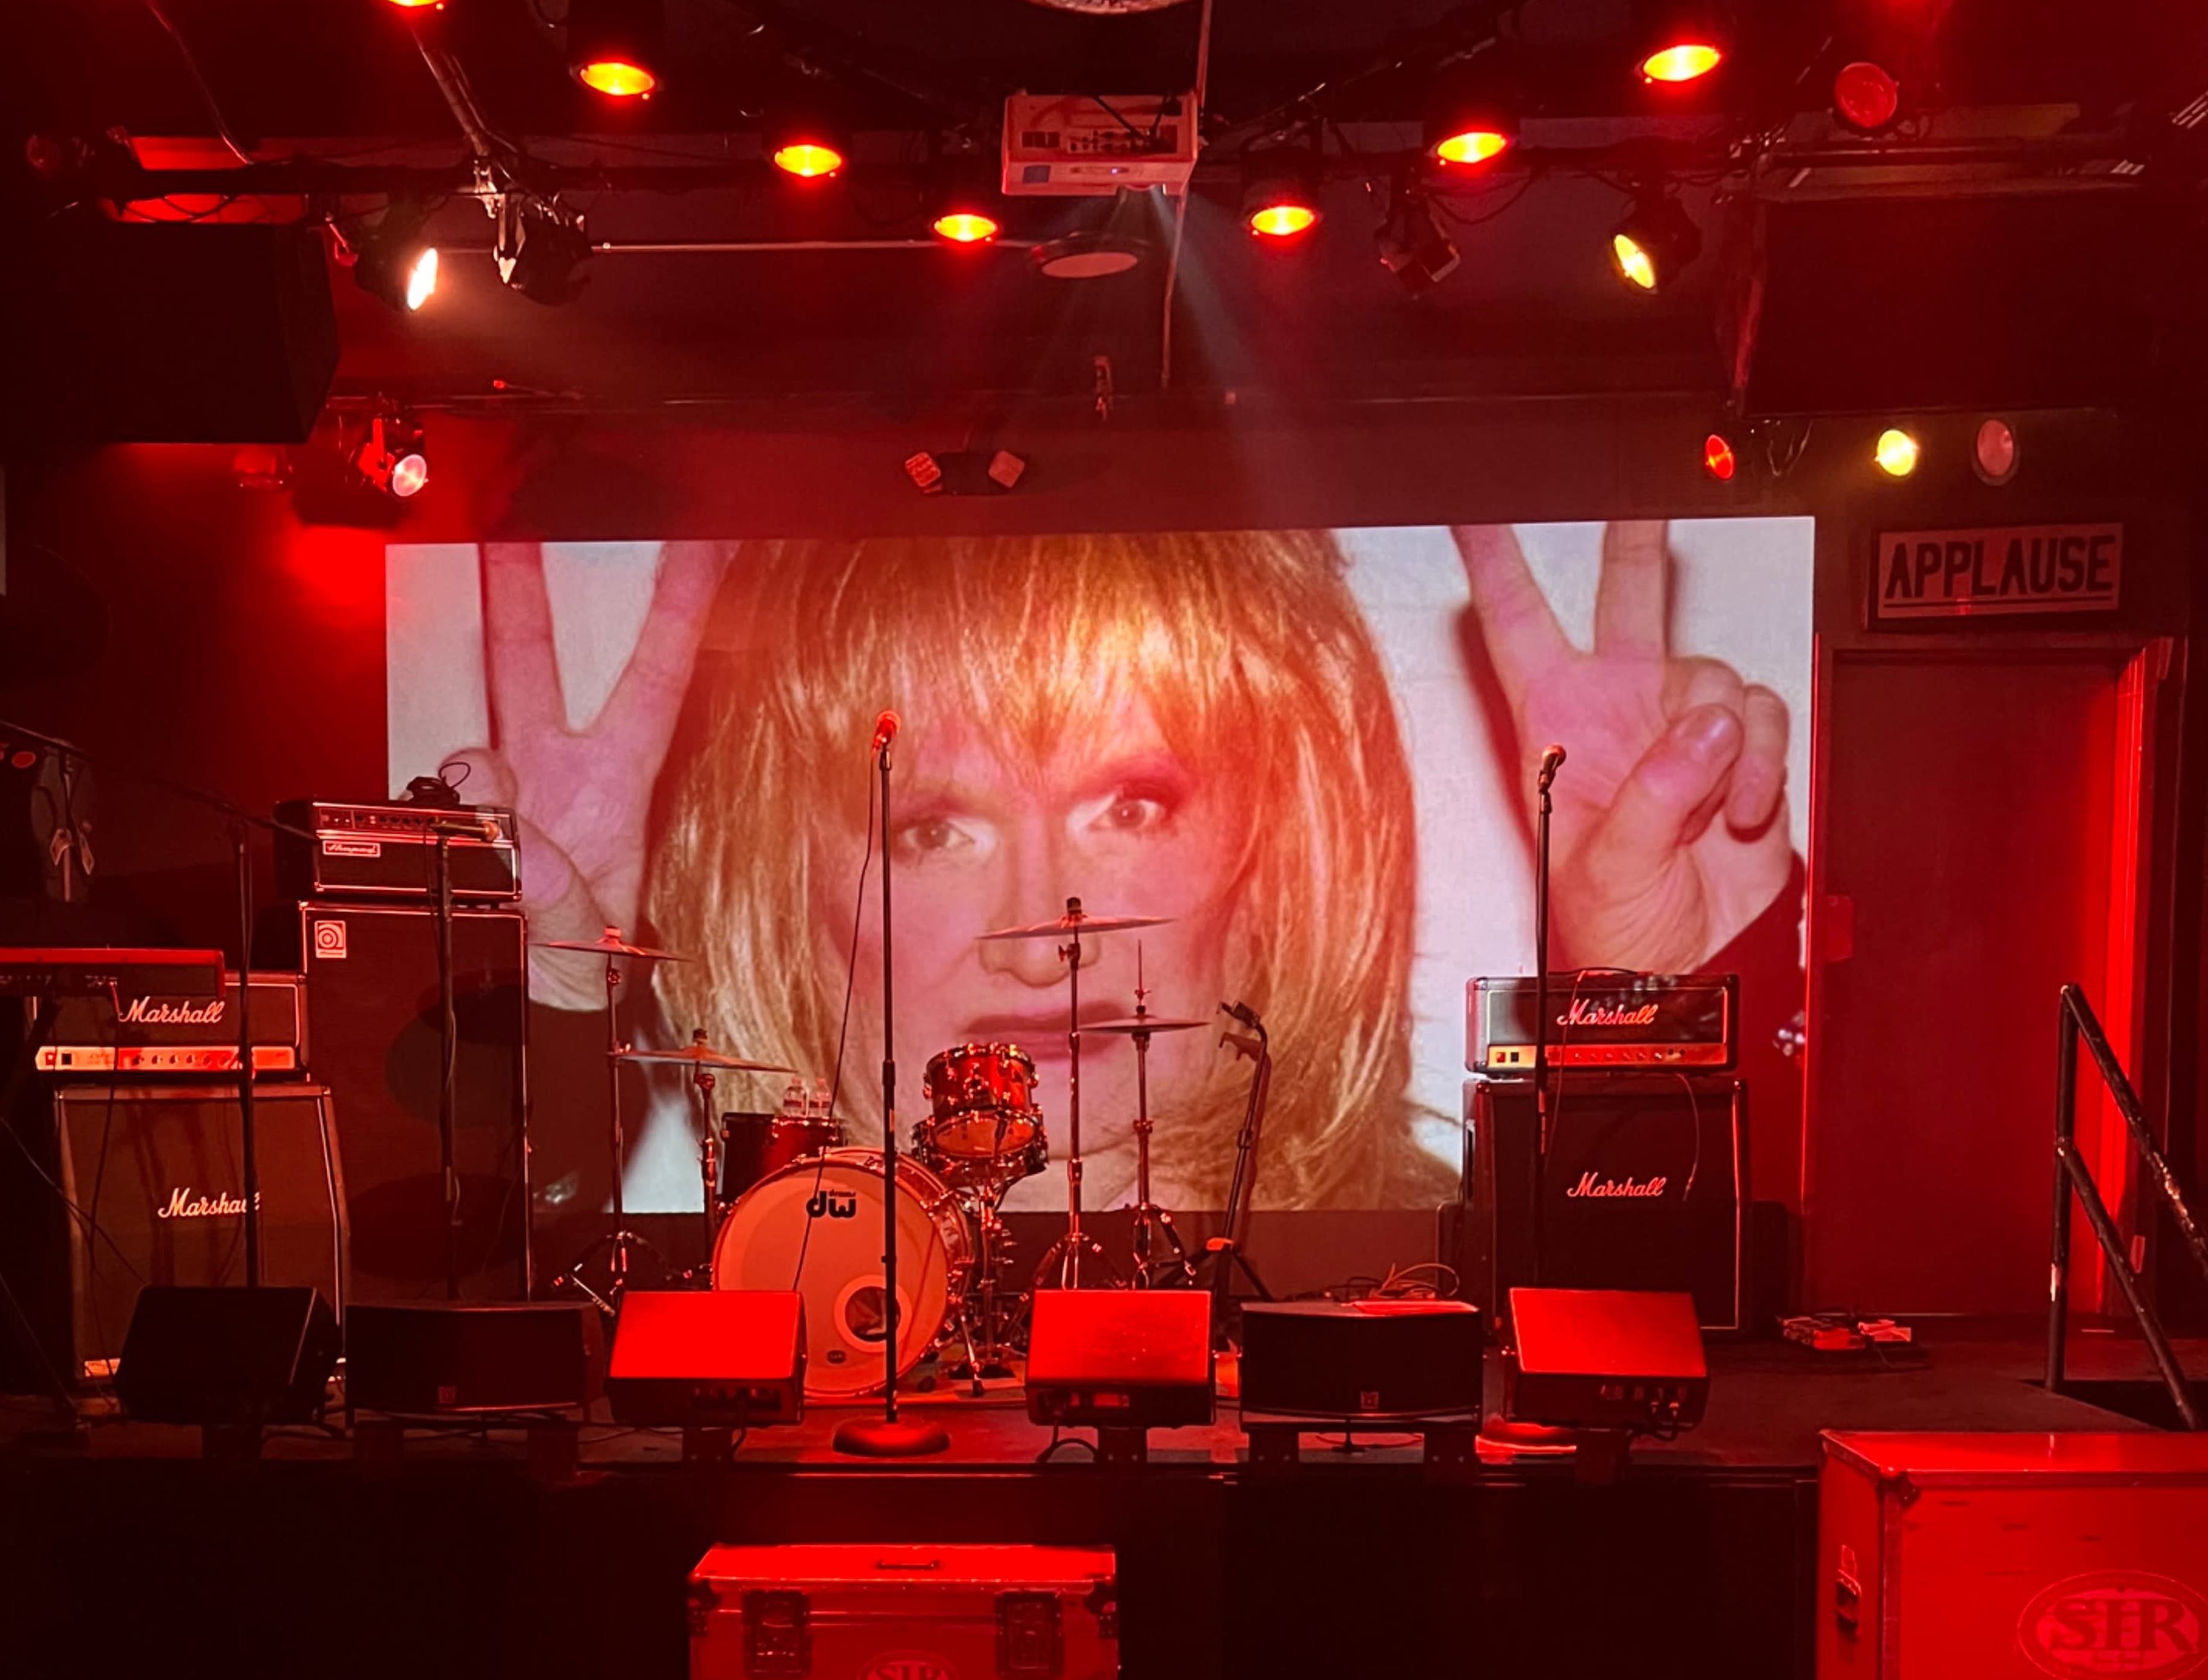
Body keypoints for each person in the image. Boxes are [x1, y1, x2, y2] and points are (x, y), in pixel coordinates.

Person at [447, 520, 1798, 1218]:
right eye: (932, 826)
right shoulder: (709, 1326)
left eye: (1133, 805)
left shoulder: (1441, 1284)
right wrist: (561, 1021)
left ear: (1277, 852)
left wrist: (1665, 994)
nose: (1046, 934)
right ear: (781, 899)